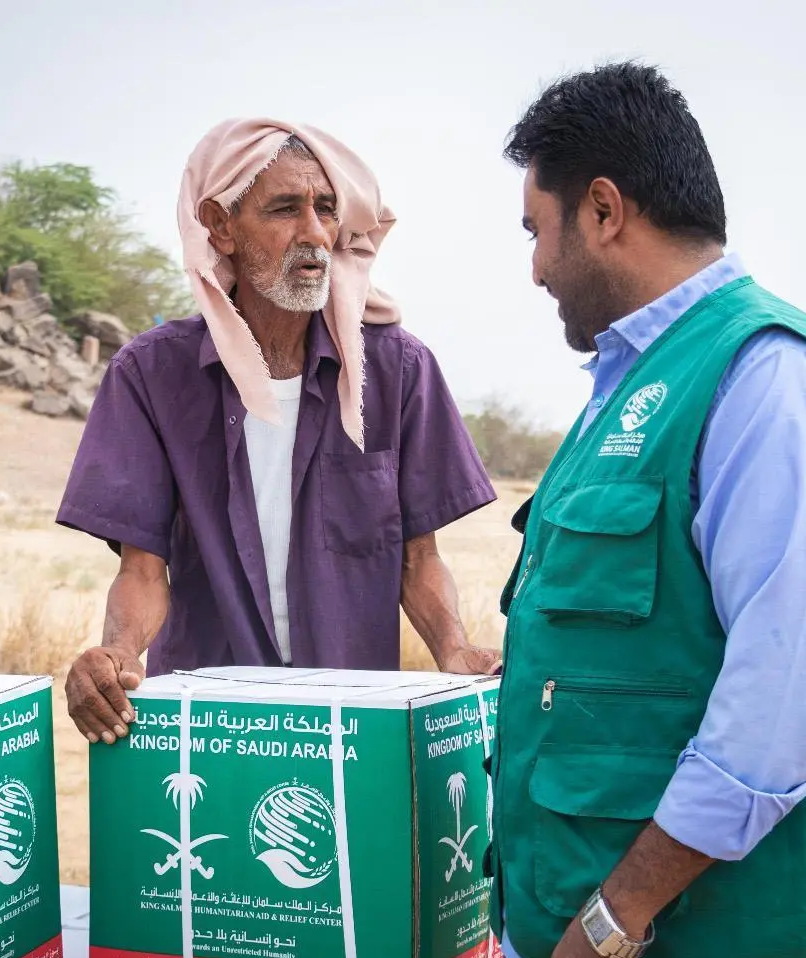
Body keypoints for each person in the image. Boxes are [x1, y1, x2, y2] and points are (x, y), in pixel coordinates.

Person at [486, 63, 806, 958]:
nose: (533, 268)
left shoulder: (769, 380)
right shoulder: (630, 386)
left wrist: (613, 919)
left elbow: (782, 699)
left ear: (602, 209)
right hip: (590, 949)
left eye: (535, 229)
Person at [57, 119, 498, 744]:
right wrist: (119, 654)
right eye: (285, 210)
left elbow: (418, 559)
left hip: (356, 719)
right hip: (208, 721)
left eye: (325, 209)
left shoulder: (397, 369)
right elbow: (142, 570)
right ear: (220, 225)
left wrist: (452, 649)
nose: (315, 234)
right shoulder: (152, 375)